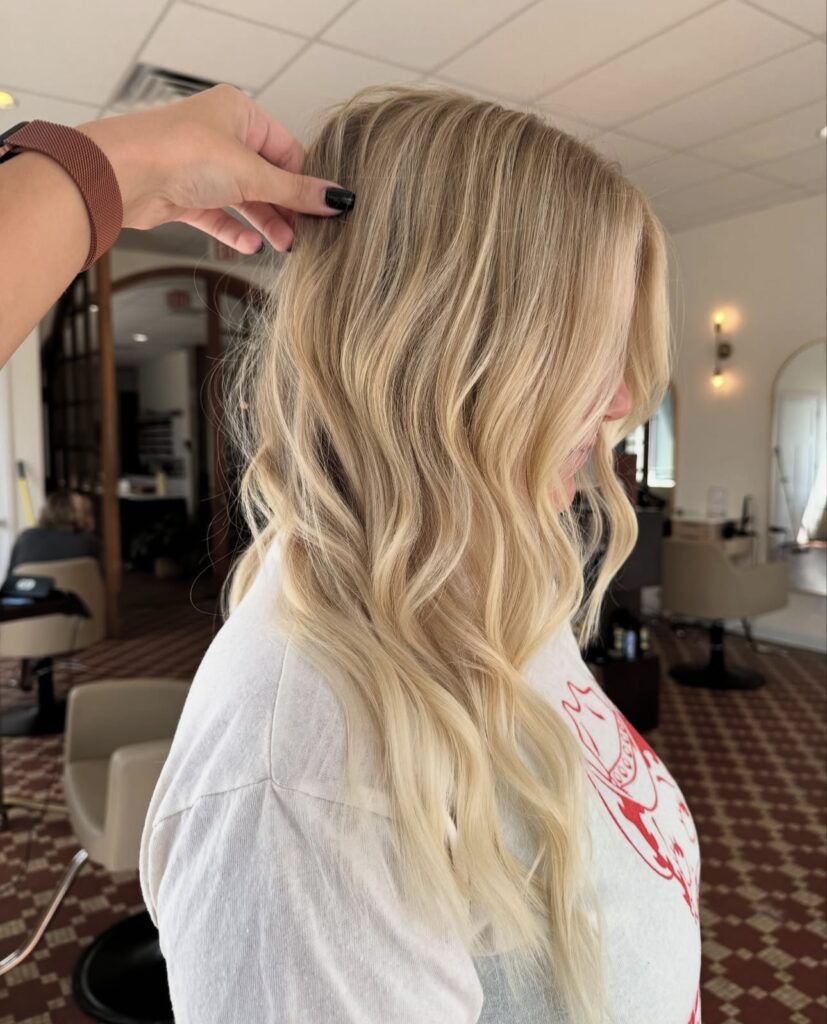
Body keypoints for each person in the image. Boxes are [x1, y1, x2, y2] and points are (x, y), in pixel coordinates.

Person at [1, 85, 701, 1023]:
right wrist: (98, 168)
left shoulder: (488, 586)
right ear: (449, 351)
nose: (618, 400)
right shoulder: (308, 776)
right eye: (584, 346)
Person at [6, 489, 100, 575]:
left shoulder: (25, 539)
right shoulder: (89, 543)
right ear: (79, 515)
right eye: (88, 513)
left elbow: (9, 581)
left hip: (32, 588)